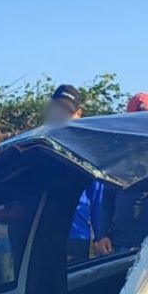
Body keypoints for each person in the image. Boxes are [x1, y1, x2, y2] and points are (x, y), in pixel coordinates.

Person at [44, 84, 109, 261]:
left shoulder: (87, 151)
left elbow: (98, 197)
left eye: (68, 111)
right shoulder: (38, 146)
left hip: (75, 237)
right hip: (41, 235)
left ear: (78, 114)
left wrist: (101, 234)